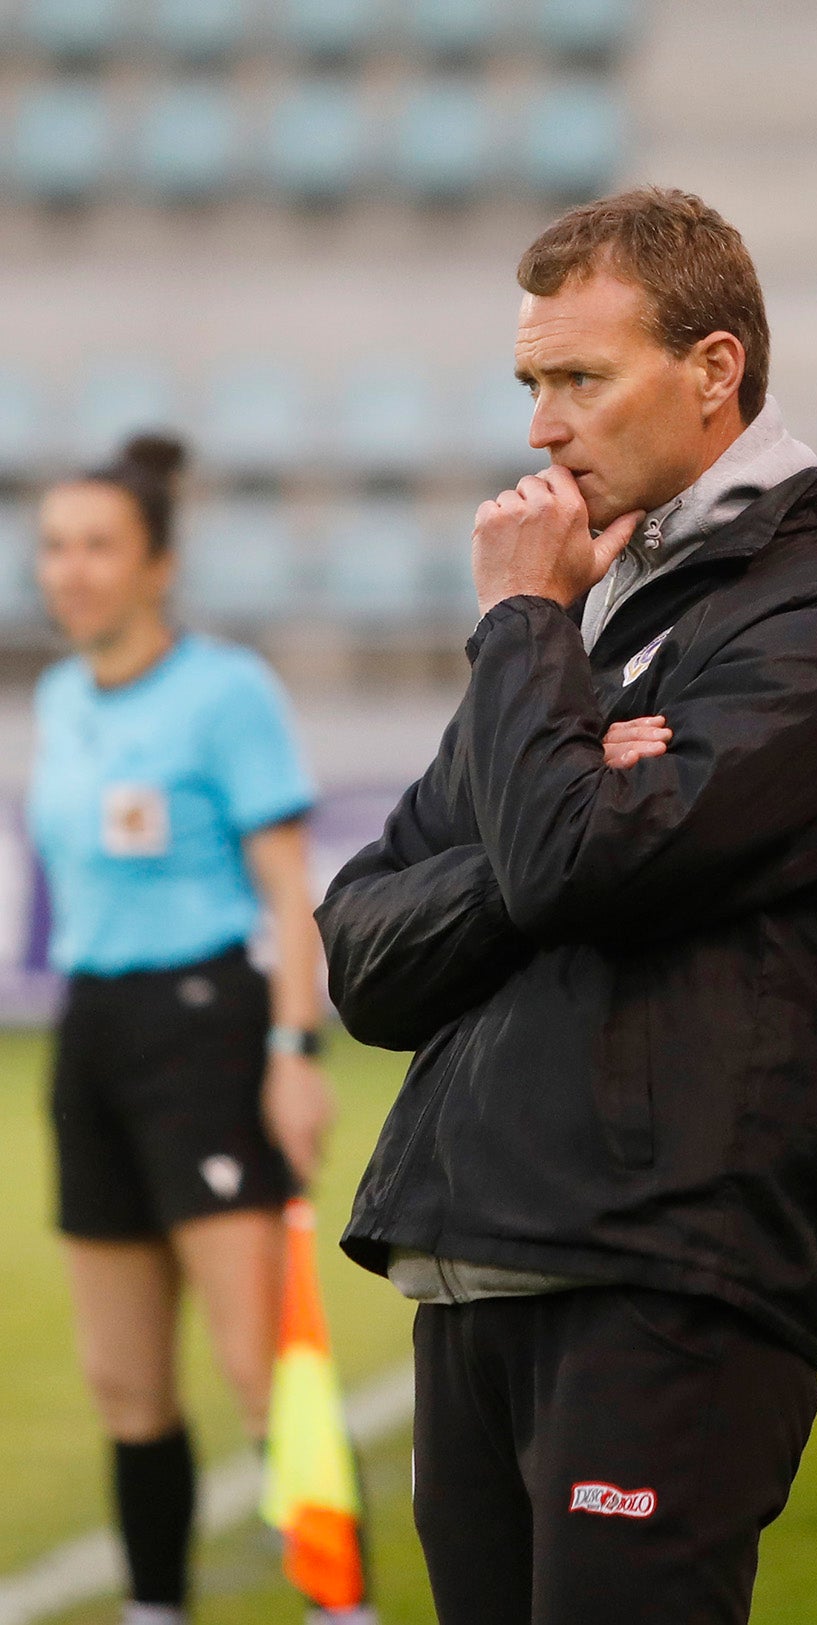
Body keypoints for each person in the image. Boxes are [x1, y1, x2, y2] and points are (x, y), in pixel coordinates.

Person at [315, 186, 817, 1625]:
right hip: (475, 1263)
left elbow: (568, 866)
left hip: (661, 1268)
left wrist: (523, 635)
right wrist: (561, 788)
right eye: (532, 383)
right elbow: (364, 950)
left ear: (713, 371)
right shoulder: (594, 616)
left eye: (578, 379)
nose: (541, 426)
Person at [26, 433, 374, 1625]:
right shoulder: (61, 695)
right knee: (125, 1379)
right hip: (93, 1037)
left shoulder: (226, 690)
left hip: (208, 1025)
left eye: (97, 546)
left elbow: (288, 889)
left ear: (157, 564)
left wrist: (293, 1053)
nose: (69, 570)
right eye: (55, 546)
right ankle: (156, 1605)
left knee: (261, 1367)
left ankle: (341, 1603)